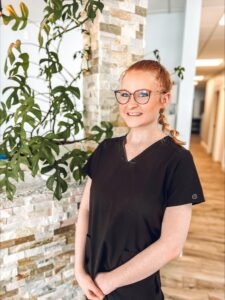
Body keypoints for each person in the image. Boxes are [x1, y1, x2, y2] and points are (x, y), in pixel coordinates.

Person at [74, 60, 205, 300]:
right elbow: (86, 210)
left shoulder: (178, 161)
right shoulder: (105, 150)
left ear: (164, 99)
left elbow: (171, 245)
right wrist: (79, 271)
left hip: (135, 291)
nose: (130, 103)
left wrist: (110, 281)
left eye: (142, 94)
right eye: (124, 94)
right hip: (93, 285)